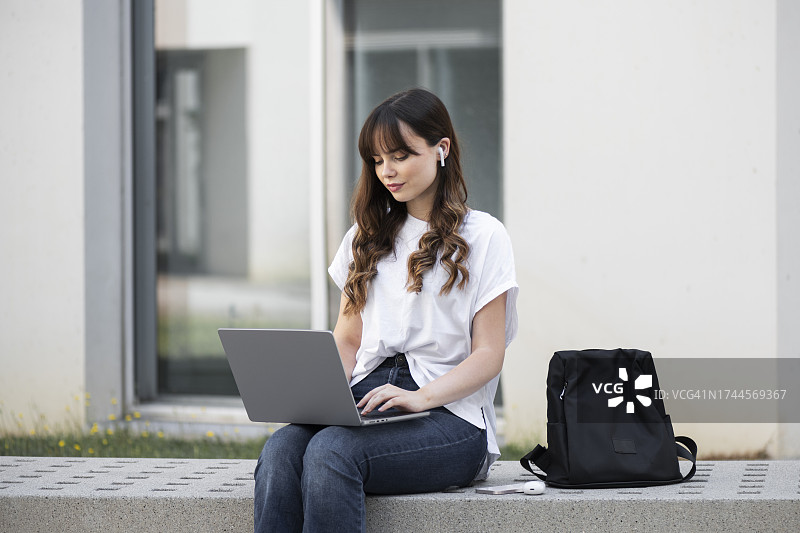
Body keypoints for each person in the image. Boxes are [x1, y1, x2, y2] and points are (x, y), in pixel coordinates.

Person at [253, 88, 518, 533]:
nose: (387, 171)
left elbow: (489, 354)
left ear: (441, 149)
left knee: (332, 452)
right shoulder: (365, 235)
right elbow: (348, 340)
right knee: (281, 450)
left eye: (400, 155)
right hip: (369, 397)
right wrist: (317, 397)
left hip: (451, 416)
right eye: (377, 160)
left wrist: (419, 397)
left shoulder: (485, 236)